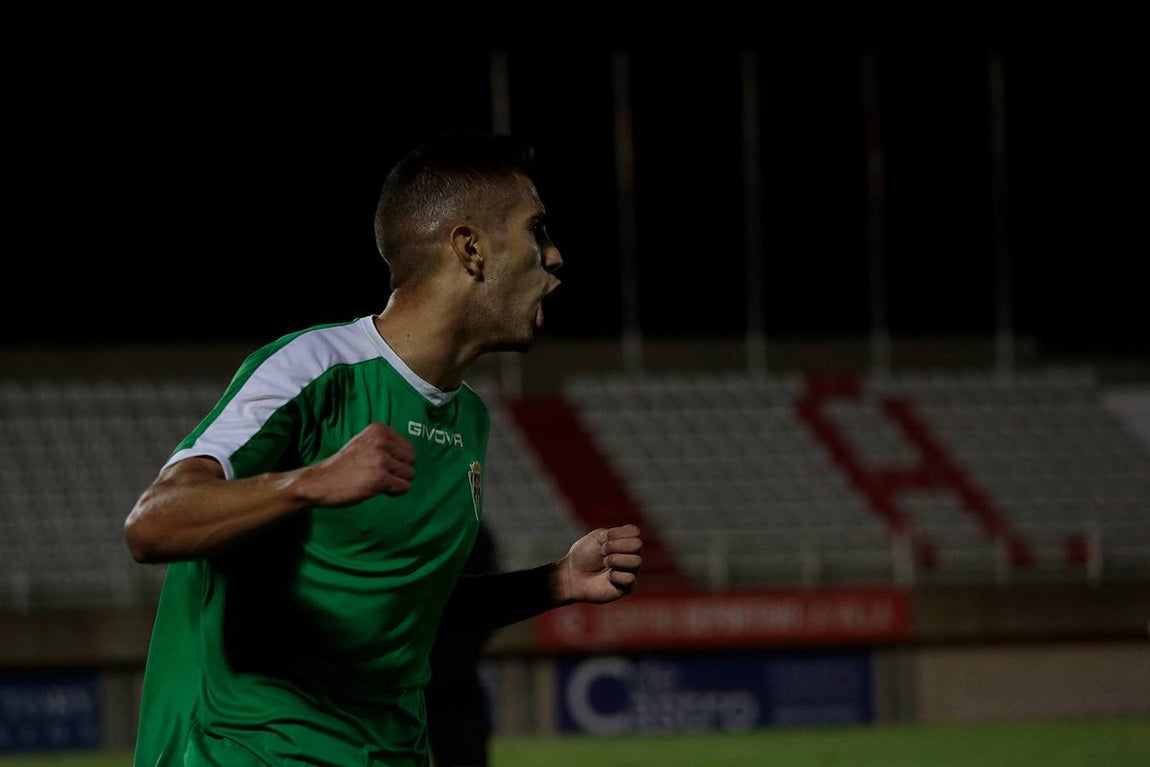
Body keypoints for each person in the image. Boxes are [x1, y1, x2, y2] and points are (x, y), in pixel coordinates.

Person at [123, 131, 644, 767]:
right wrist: (309, 482)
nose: (555, 256)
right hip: (254, 751)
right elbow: (153, 523)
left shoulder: (468, 417)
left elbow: (406, 612)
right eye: (537, 230)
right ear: (470, 248)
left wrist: (556, 581)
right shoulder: (315, 369)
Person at [425, 520, 498, 767]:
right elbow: (490, 601)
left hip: (406, 668)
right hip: (456, 667)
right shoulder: (474, 528)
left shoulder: (396, 523)